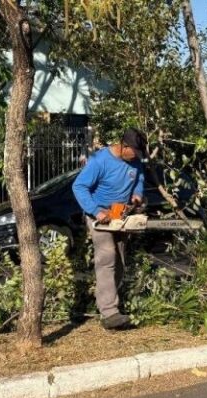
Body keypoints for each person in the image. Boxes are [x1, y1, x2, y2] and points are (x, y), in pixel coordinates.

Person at [72, 128, 147, 330]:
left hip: (120, 215)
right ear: (124, 146)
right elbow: (79, 186)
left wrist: (137, 194)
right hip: (99, 216)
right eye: (135, 153)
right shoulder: (100, 160)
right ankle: (109, 313)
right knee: (107, 257)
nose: (137, 158)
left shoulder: (135, 161)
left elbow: (139, 178)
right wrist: (97, 211)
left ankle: (108, 302)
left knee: (120, 262)